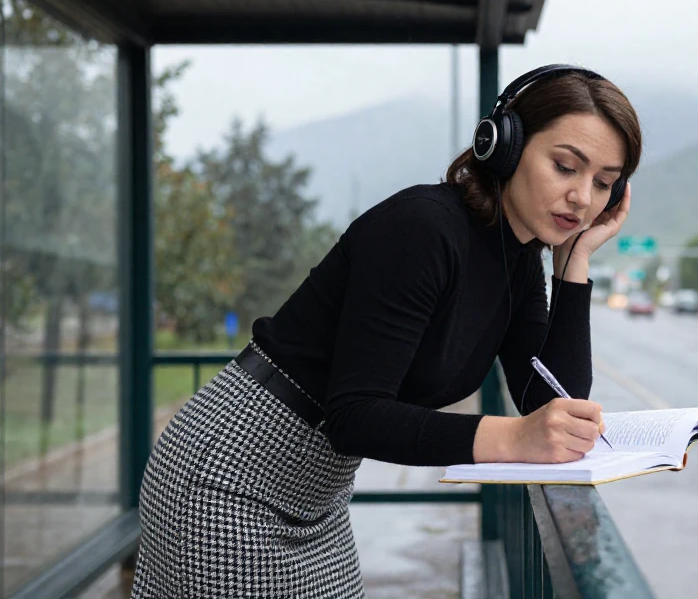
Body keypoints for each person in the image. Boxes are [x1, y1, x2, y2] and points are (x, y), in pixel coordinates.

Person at [130, 64, 642, 598]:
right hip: (231, 477)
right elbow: (354, 415)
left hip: (317, 494)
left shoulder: (517, 261)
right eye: (565, 167)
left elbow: (549, 398)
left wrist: (573, 262)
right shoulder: (423, 229)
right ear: (505, 147)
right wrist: (513, 438)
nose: (583, 197)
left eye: (603, 182)